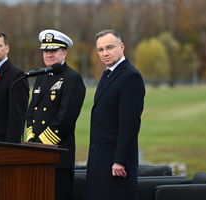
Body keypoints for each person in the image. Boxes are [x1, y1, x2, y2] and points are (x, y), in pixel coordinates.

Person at [85, 29, 145, 200]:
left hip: (116, 163)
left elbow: (130, 124)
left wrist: (120, 160)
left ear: (122, 47)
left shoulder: (130, 76)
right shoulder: (108, 74)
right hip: (100, 158)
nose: (105, 53)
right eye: (100, 49)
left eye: (109, 47)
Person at [25, 29, 85, 200]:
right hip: (36, 154)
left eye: (53, 50)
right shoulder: (41, 77)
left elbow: (65, 119)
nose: (48, 54)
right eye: (46, 50)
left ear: (64, 52)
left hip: (57, 156)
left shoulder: (72, 78)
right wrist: (31, 141)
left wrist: (41, 144)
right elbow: (31, 112)